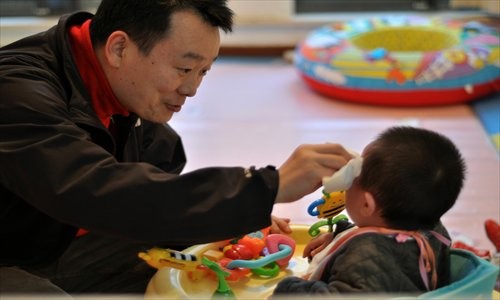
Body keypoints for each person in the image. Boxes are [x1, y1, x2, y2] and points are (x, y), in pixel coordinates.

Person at [0, 0, 354, 296]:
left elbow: (151, 196)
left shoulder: (135, 100)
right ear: (119, 48)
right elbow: (92, 189)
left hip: (54, 242)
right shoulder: (17, 91)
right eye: (184, 68)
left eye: (203, 71)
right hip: (13, 256)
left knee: (202, 265)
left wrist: (227, 215)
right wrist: (263, 187)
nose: (191, 88)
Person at [272, 126, 466, 297]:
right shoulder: (431, 230)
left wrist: (291, 289)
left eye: (354, 173)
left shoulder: (364, 257)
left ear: (366, 205)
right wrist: (342, 235)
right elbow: (394, 250)